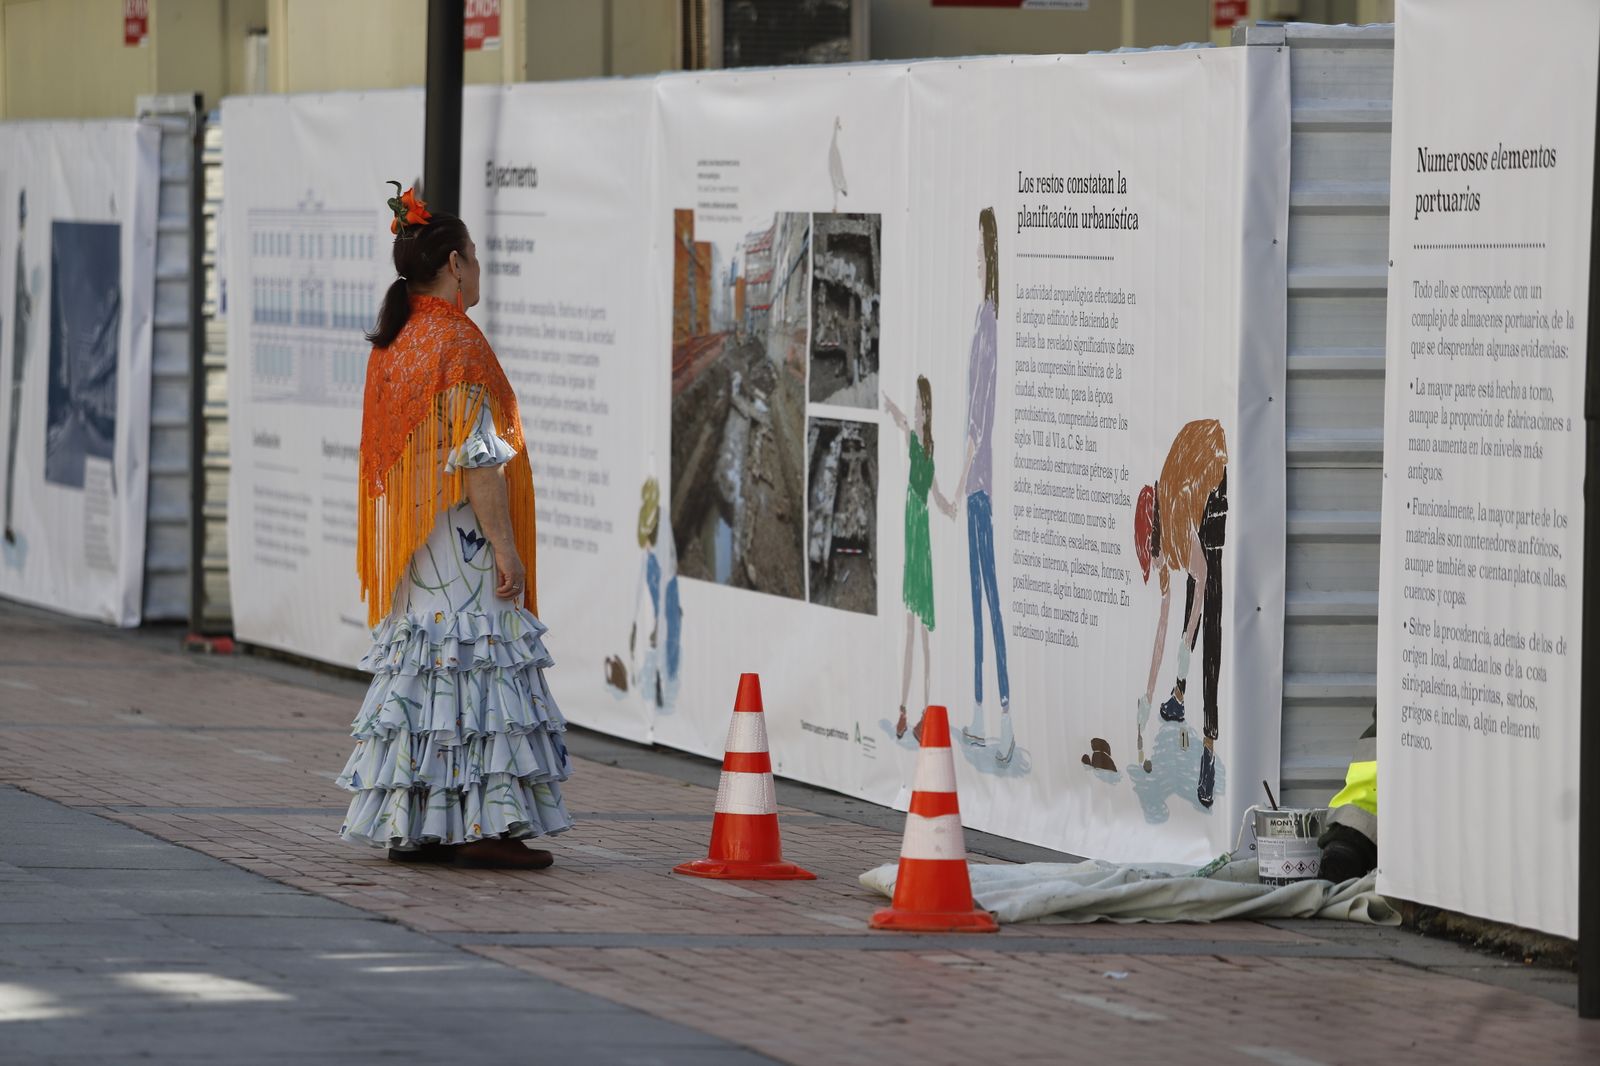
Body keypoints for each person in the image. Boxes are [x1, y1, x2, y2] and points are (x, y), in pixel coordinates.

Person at [338, 184, 572, 869]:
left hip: (419, 539)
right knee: (482, 664)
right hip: (465, 539)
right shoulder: (457, 341)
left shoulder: (397, 340)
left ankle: (419, 822)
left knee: (425, 673)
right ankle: (488, 826)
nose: (479, 265)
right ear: (454, 264)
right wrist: (507, 549)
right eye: (475, 253)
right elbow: (480, 460)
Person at [1133, 418, 1228, 807]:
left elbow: (1201, 577)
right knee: (1191, 592)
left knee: (1210, 611)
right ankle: (1177, 694)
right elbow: (1161, 624)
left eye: (1153, 561)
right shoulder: (1164, 531)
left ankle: (1208, 748)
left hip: (1213, 473)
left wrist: (1187, 644)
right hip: (1193, 481)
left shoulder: (1175, 523)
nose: (1156, 568)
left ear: (1155, 545)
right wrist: (1146, 697)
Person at [952, 207, 1013, 764]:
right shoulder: (982, 316)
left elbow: (978, 417)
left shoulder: (988, 320)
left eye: (978, 250)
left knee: (987, 598)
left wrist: (958, 480)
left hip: (979, 484)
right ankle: (982, 712)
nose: (973, 258)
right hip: (978, 481)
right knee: (979, 597)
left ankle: (1002, 716)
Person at [884, 376, 956, 742]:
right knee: (913, 630)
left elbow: (939, 496)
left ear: (926, 409)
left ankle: (921, 711)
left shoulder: (923, 446)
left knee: (920, 631)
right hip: (916, 536)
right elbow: (939, 497)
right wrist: (890, 406)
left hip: (919, 537)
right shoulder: (920, 443)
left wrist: (951, 502)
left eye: (918, 404)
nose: (914, 410)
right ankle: (905, 709)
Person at [630, 476, 682, 709]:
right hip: (661, 573)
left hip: (657, 570)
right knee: (666, 625)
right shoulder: (655, 514)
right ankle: (662, 675)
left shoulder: (648, 515)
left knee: (660, 624)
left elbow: (652, 549)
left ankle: (661, 675)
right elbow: (665, 554)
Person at [5, 189, 31, 544]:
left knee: (11, 447)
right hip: (13, 373)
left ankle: (9, 519)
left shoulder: (18, 253)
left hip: (15, 373)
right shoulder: (17, 254)